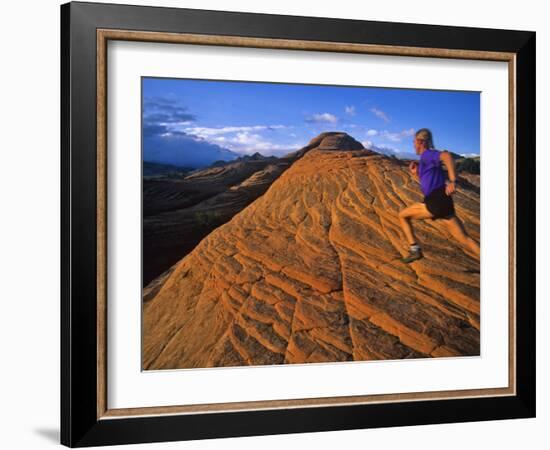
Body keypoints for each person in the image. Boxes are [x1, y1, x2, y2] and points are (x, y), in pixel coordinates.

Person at [398, 128, 480, 263]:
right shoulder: (425, 159)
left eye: (414, 142)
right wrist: (416, 174)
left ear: (420, 142)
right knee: (465, 239)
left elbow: (447, 156)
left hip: (436, 200)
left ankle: (415, 250)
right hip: (445, 202)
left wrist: (453, 180)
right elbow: (427, 182)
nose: (413, 145)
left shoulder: (427, 155)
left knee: (402, 216)